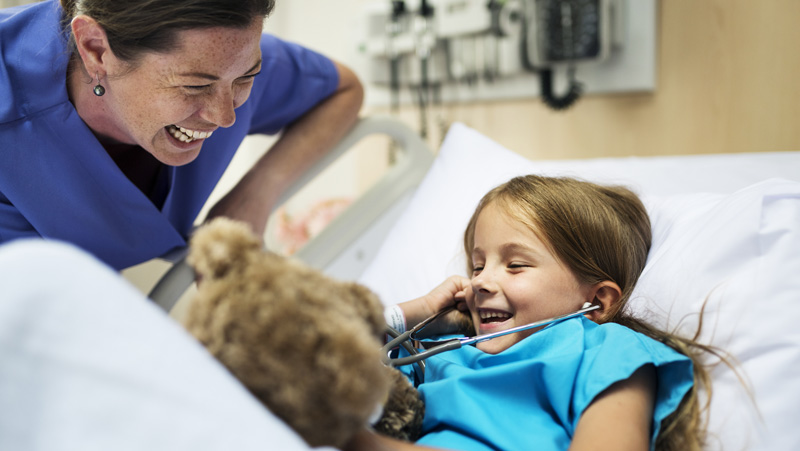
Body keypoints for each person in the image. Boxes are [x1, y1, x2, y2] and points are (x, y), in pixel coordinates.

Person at [345, 175, 716, 451]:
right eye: (477, 266)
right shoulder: (437, 348)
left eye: (516, 264)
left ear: (599, 301)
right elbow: (329, 356)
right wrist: (411, 316)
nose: (480, 282)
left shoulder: (607, 350)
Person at [0, 0, 363, 270]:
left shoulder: (220, 55)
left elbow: (344, 91)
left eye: (246, 78)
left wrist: (256, 194)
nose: (225, 116)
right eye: (193, 86)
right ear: (95, 50)